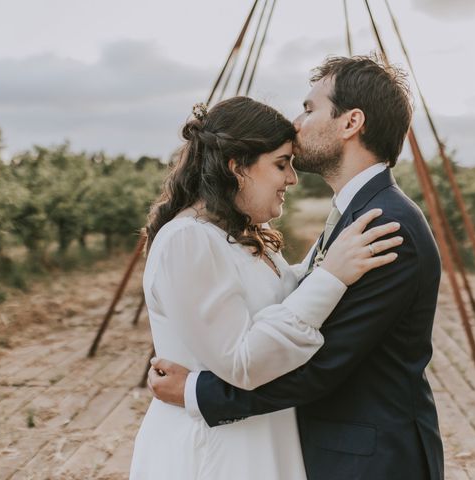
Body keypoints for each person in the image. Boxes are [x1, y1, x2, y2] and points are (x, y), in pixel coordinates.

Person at [149, 56, 445, 480]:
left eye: (309, 108)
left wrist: (198, 392)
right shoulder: (357, 215)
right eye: (279, 164)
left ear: (350, 122)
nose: (297, 121)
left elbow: (322, 361)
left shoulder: (383, 225)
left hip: (370, 461)